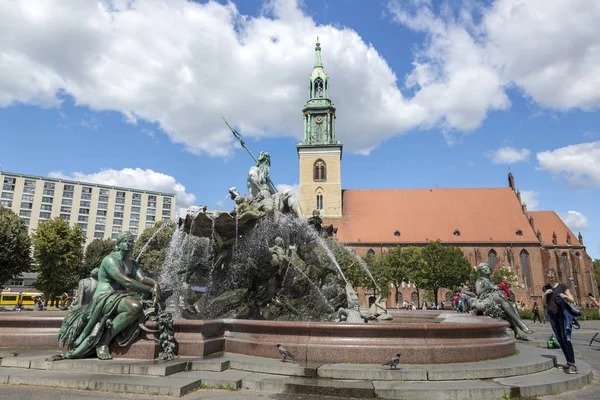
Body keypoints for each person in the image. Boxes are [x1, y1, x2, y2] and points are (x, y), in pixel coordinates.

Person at [48, 231, 160, 361]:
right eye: (125, 241)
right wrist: (150, 290)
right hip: (104, 297)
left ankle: (106, 339)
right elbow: (125, 281)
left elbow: (142, 278)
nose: (128, 244)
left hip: (120, 296)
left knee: (143, 303)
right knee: (135, 307)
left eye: (131, 241)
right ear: (118, 244)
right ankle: (103, 341)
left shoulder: (132, 262)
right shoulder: (110, 260)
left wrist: (155, 284)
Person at [474, 263, 533, 340]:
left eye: (487, 268)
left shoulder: (490, 280)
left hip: (496, 297)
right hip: (487, 298)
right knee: (502, 299)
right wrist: (489, 287)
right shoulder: (480, 280)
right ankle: (521, 325)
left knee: (513, 305)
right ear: (481, 272)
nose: (486, 269)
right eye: (483, 269)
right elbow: (478, 292)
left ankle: (518, 331)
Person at [542, 269, 578, 374]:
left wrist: (565, 296)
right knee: (560, 339)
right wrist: (545, 294)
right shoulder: (545, 287)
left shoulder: (562, 286)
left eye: (552, 277)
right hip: (552, 316)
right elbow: (543, 302)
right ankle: (568, 362)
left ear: (555, 277)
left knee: (566, 338)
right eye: (548, 277)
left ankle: (573, 364)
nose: (550, 279)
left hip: (563, 315)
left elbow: (572, 299)